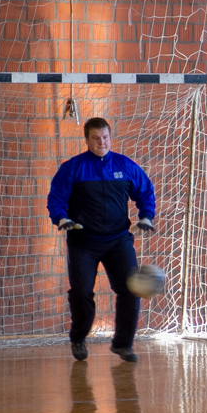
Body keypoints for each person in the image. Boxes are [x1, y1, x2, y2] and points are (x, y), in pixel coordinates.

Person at [47, 117, 156, 363]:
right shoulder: (73, 168)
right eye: (96, 138)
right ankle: (78, 337)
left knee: (131, 289)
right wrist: (61, 218)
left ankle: (123, 345)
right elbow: (56, 198)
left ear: (110, 137)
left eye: (105, 137)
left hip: (119, 241)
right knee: (82, 292)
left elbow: (146, 192)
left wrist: (147, 216)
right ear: (87, 140)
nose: (101, 143)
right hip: (83, 242)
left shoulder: (126, 166)